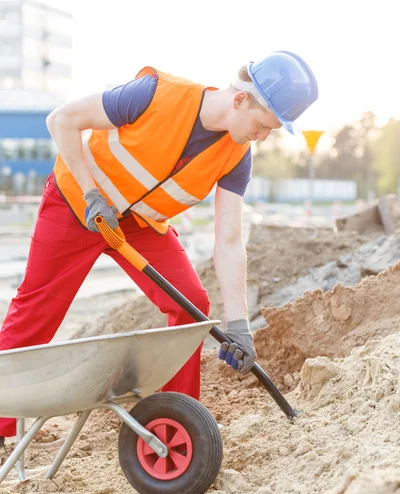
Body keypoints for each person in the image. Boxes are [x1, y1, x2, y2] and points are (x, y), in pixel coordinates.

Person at [0, 50, 318, 440]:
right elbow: (62, 119)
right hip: (76, 206)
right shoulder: (155, 94)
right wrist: (90, 195)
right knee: (36, 311)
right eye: (262, 124)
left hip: (138, 225)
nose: (262, 136)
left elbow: (229, 238)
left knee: (192, 307)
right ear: (239, 100)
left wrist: (240, 326)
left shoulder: (237, 156)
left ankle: (180, 421)